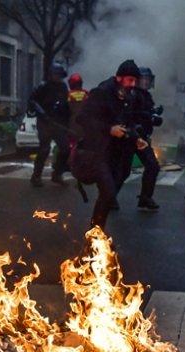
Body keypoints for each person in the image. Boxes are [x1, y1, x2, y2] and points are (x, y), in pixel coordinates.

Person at [75, 59, 147, 228]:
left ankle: (97, 231)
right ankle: (95, 235)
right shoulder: (102, 93)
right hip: (97, 150)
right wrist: (109, 129)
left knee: (110, 193)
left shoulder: (128, 95)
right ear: (119, 78)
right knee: (107, 192)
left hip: (116, 152)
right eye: (130, 80)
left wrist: (136, 138)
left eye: (135, 81)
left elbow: (127, 121)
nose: (133, 84)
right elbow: (83, 118)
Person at [116, 66, 162, 210]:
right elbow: (127, 115)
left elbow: (145, 113)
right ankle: (109, 197)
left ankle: (145, 197)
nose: (147, 82)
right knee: (123, 171)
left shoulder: (146, 96)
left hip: (142, 138)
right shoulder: (132, 95)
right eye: (144, 79)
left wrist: (154, 114)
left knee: (152, 165)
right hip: (129, 138)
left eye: (149, 79)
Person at [28, 63, 70, 186]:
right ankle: (36, 176)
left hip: (58, 122)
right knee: (44, 149)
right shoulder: (43, 86)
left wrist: (66, 120)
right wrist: (43, 113)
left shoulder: (63, 87)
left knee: (65, 148)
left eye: (59, 75)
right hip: (44, 121)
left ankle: (57, 174)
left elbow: (65, 104)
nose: (57, 77)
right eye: (55, 74)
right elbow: (32, 100)